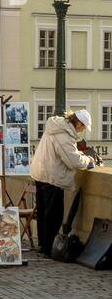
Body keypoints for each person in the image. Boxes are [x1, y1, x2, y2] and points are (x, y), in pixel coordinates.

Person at [29, 108, 94, 256]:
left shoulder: (57, 126)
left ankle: (43, 245)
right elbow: (73, 160)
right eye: (83, 128)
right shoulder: (64, 134)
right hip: (52, 176)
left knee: (44, 212)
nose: (82, 131)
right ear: (79, 124)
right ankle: (48, 249)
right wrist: (88, 161)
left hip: (40, 173)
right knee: (54, 214)